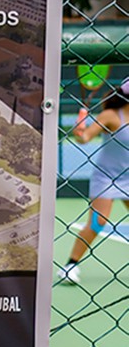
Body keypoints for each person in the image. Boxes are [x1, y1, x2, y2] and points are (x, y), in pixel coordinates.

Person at [58, 76, 129, 285]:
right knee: (99, 222)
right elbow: (86, 136)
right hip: (107, 177)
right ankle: (70, 265)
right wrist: (80, 131)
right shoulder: (110, 116)